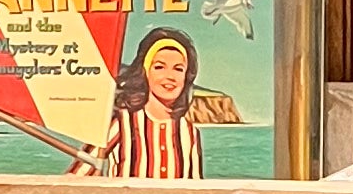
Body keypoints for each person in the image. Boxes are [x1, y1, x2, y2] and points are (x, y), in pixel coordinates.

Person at [89, 25, 242, 180]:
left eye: (178, 69)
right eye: (159, 67)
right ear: (145, 72)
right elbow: (80, 174)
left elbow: (195, 188)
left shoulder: (189, 132)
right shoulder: (120, 123)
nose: (170, 76)